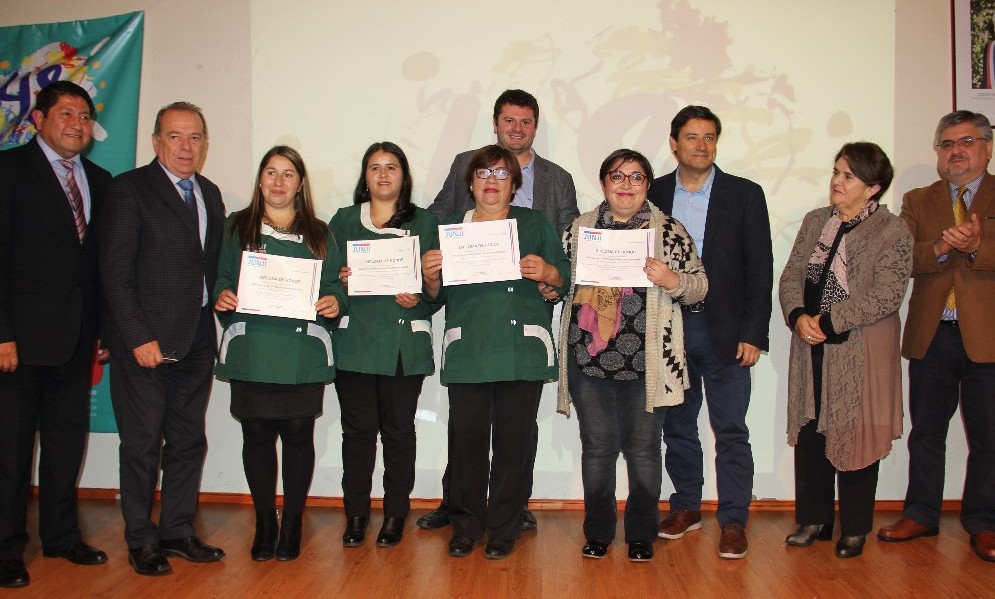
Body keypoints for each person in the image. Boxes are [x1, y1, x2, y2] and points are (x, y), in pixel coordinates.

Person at [420, 89, 579, 532]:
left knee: (515, 437)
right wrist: (425, 269)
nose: (492, 180)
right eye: (483, 174)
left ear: (515, 183)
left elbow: (567, 259)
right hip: (470, 336)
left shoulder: (540, 214)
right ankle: (463, 519)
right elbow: (435, 282)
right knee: (466, 438)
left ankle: (507, 522)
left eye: (500, 175)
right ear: (470, 183)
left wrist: (549, 275)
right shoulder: (455, 224)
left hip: (521, 331)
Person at [554, 149, 707, 562]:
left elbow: (699, 287)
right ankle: (599, 533)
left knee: (643, 451)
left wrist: (671, 279)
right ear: (604, 183)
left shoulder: (669, 231)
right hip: (589, 361)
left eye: (635, 177)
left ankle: (642, 534)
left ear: (647, 185)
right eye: (617, 177)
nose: (625, 185)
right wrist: (550, 286)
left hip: (647, 364)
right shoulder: (579, 230)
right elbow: (557, 285)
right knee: (597, 449)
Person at [100, 101, 226, 576]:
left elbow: (208, 266)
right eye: (175, 136)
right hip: (146, 343)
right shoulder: (129, 189)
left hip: (195, 337)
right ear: (156, 142)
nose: (186, 146)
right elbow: (114, 271)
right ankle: (140, 538)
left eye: (194, 137)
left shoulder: (210, 194)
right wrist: (136, 336)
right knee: (141, 443)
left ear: (205, 144)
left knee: (188, 441)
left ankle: (177, 530)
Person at [647, 105, 773, 559]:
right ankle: (686, 507)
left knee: (731, 429)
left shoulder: (744, 194)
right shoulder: (653, 192)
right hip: (670, 329)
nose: (702, 145)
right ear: (674, 143)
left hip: (726, 332)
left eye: (709, 137)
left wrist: (754, 333)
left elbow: (760, 269)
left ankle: (734, 519)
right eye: (692, 137)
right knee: (678, 427)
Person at [0, 81, 111, 589]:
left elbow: (101, 266)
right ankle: (5, 548)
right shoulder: (8, 172)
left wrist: (105, 330)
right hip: (18, 342)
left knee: (67, 443)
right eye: (66, 113)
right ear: (38, 119)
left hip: (77, 337)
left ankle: (62, 537)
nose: (77, 124)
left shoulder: (101, 180)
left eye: (85, 116)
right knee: (11, 449)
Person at [779, 142, 912, 559]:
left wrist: (829, 321)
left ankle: (854, 528)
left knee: (856, 432)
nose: (837, 181)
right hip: (811, 347)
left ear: (872, 188)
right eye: (836, 172)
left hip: (861, 350)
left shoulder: (894, 232)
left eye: (848, 176)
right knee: (811, 429)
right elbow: (792, 274)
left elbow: (887, 295)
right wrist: (799, 314)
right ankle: (815, 519)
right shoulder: (817, 220)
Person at [213, 145, 346, 562]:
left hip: (301, 352)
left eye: (288, 174)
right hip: (252, 349)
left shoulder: (321, 233)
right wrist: (223, 294)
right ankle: (264, 522)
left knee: (297, 435)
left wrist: (334, 302)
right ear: (260, 180)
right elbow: (220, 276)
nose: (278, 182)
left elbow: (337, 288)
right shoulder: (238, 227)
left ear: (301, 184)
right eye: (270, 172)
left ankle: (292, 521)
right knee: (256, 436)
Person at [878, 110, 995, 563]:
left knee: (987, 436)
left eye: (966, 141)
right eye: (947, 144)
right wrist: (944, 248)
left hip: (986, 337)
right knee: (927, 431)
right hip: (932, 334)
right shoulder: (918, 199)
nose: (956, 151)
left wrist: (978, 246)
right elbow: (901, 257)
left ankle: (983, 522)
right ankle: (921, 513)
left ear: (986, 147)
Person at [329, 142, 440, 548]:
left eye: (391, 167)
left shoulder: (425, 221)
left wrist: (422, 293)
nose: (382, 175)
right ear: (364, 176)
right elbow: (323, 279)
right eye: (374, 167)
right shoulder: (342, 221)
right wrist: (338, 278)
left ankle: (395, 514)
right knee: (357, 434)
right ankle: (356, 515)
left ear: (403, 176)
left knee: (398, 433)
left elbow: (435, 290)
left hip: (401, 346)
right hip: (355, 342)